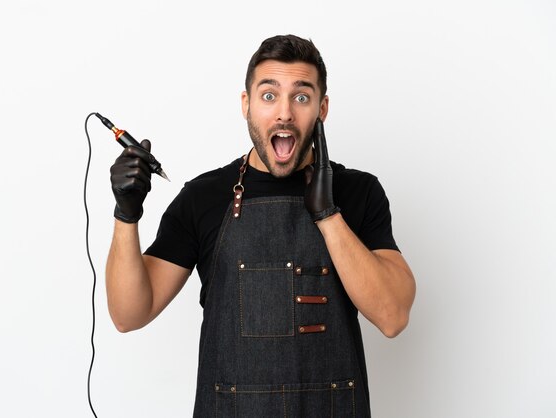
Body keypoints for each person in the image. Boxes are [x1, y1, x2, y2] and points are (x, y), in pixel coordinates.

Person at [106, 34, 416, 417]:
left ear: (322, 109)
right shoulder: (203, 197)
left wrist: (328, 214)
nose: (284, 113)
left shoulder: (358, 192)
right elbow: (128, 314)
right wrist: (126, 214)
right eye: (269, 96)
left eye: (301, 97)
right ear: (246, 105)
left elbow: (393, 316)